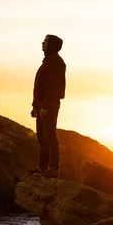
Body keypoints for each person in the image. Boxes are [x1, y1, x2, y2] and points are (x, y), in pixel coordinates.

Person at [28, 34, 66, 178]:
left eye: (45, 41)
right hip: (41, 106)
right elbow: (40, 87)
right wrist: (35, 106)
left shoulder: (57, 63)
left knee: (50, 136)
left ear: (51, 45)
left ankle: (53, 168)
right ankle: (42, 167)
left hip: (48, 106)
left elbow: (54, 88)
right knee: (42, 138)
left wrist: (46, 106)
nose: (42, 43)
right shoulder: (47, 62)